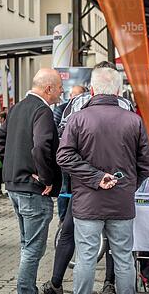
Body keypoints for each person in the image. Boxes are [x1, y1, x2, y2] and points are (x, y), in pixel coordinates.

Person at [56, 67, 149, 294]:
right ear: (119, 91)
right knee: (123, 257)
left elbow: (63, 156)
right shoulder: (134, 120)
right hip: (121, 202)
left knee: (86, 258)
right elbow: (146, 163)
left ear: (92, 90)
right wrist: (127, 185)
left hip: (87, 202)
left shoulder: (78, 119)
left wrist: (96, 178)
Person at [43, 62, 133, 294]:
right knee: (120, 249)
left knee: (75, 238)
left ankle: (56, 282)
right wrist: (130, 183)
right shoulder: (128, 106)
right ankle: (109, 285)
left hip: (83, 184)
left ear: (92, 87)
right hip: (119, 186)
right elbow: (141, 155)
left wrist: (86, 171)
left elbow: (64, 144)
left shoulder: (75, 105)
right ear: (116, 87)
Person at [0, 68, 64, 294]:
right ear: (48, 88)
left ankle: (26, 288)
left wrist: (12, 166)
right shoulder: (41, 111)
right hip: (33, 190)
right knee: (34, 247)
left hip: (16, 186)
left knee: (27, 244)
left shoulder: (16, 108)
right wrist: (45, 178)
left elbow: (0, 140)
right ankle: (25, 289)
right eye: (59, 89)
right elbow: (42, 146)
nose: (61, 93)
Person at [53, 85, 87, 220]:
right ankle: (62, 218)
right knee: (64, 189)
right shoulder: (61, 109)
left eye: (76, 95)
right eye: (72, 94)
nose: (73, 97)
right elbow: (56, 131)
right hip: (66, 157)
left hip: (81, 158)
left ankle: (75, 216)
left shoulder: (87, 111)